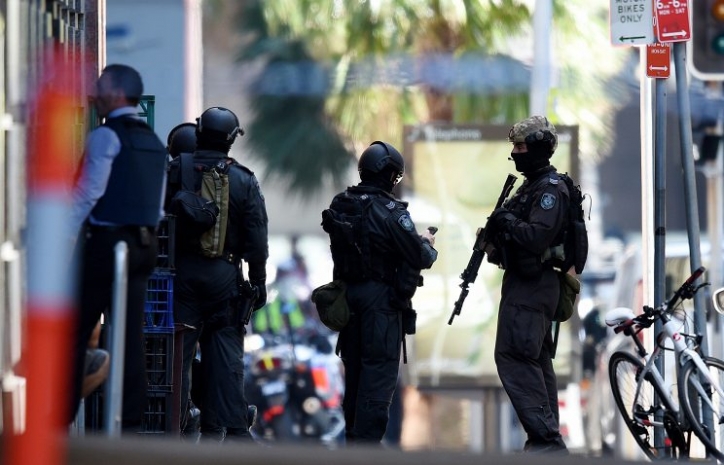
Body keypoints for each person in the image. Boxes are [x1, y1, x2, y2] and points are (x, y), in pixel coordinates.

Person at [69, 64, 168, 430]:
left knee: (75, 327)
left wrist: (60, 234)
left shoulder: (106, 136)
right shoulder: (154, 142)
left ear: (115, 93)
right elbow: (157, 206)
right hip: (144, 245)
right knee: (128, 335)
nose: (94, 95)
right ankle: (130, 421)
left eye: (99, 88)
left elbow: (89, 192)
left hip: (109, 244)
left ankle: (59, 412)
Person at [321, 141, 437, 445]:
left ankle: (353, 444)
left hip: (348, 300)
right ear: (390, 175)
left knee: (355, 377)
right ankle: (366, 450)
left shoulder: (341, 203)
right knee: (377, 379)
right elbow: (420, 256)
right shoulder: (390, 211)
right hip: (380, 305)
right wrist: (426, 242)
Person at [166, 106, 269, 443]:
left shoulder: (174, 170)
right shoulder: (243, 179)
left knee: (178, 357)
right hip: (225, 278)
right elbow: (257, 240)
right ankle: (226, 431)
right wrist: (258, 282)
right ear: (231, 139)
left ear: (199, 132)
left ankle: (177, 427)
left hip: (180, 276)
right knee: (225, 357)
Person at [486, 115, 570, 454]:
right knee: (533, 359)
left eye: (520, 147)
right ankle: (547, 441)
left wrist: (506, 221)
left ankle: (546, 442)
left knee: (515, 356)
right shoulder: (531, 187)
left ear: (538, 147)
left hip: (534, 285)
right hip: (523, 284)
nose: (515, 153)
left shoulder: (550, 189)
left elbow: (536, 238)